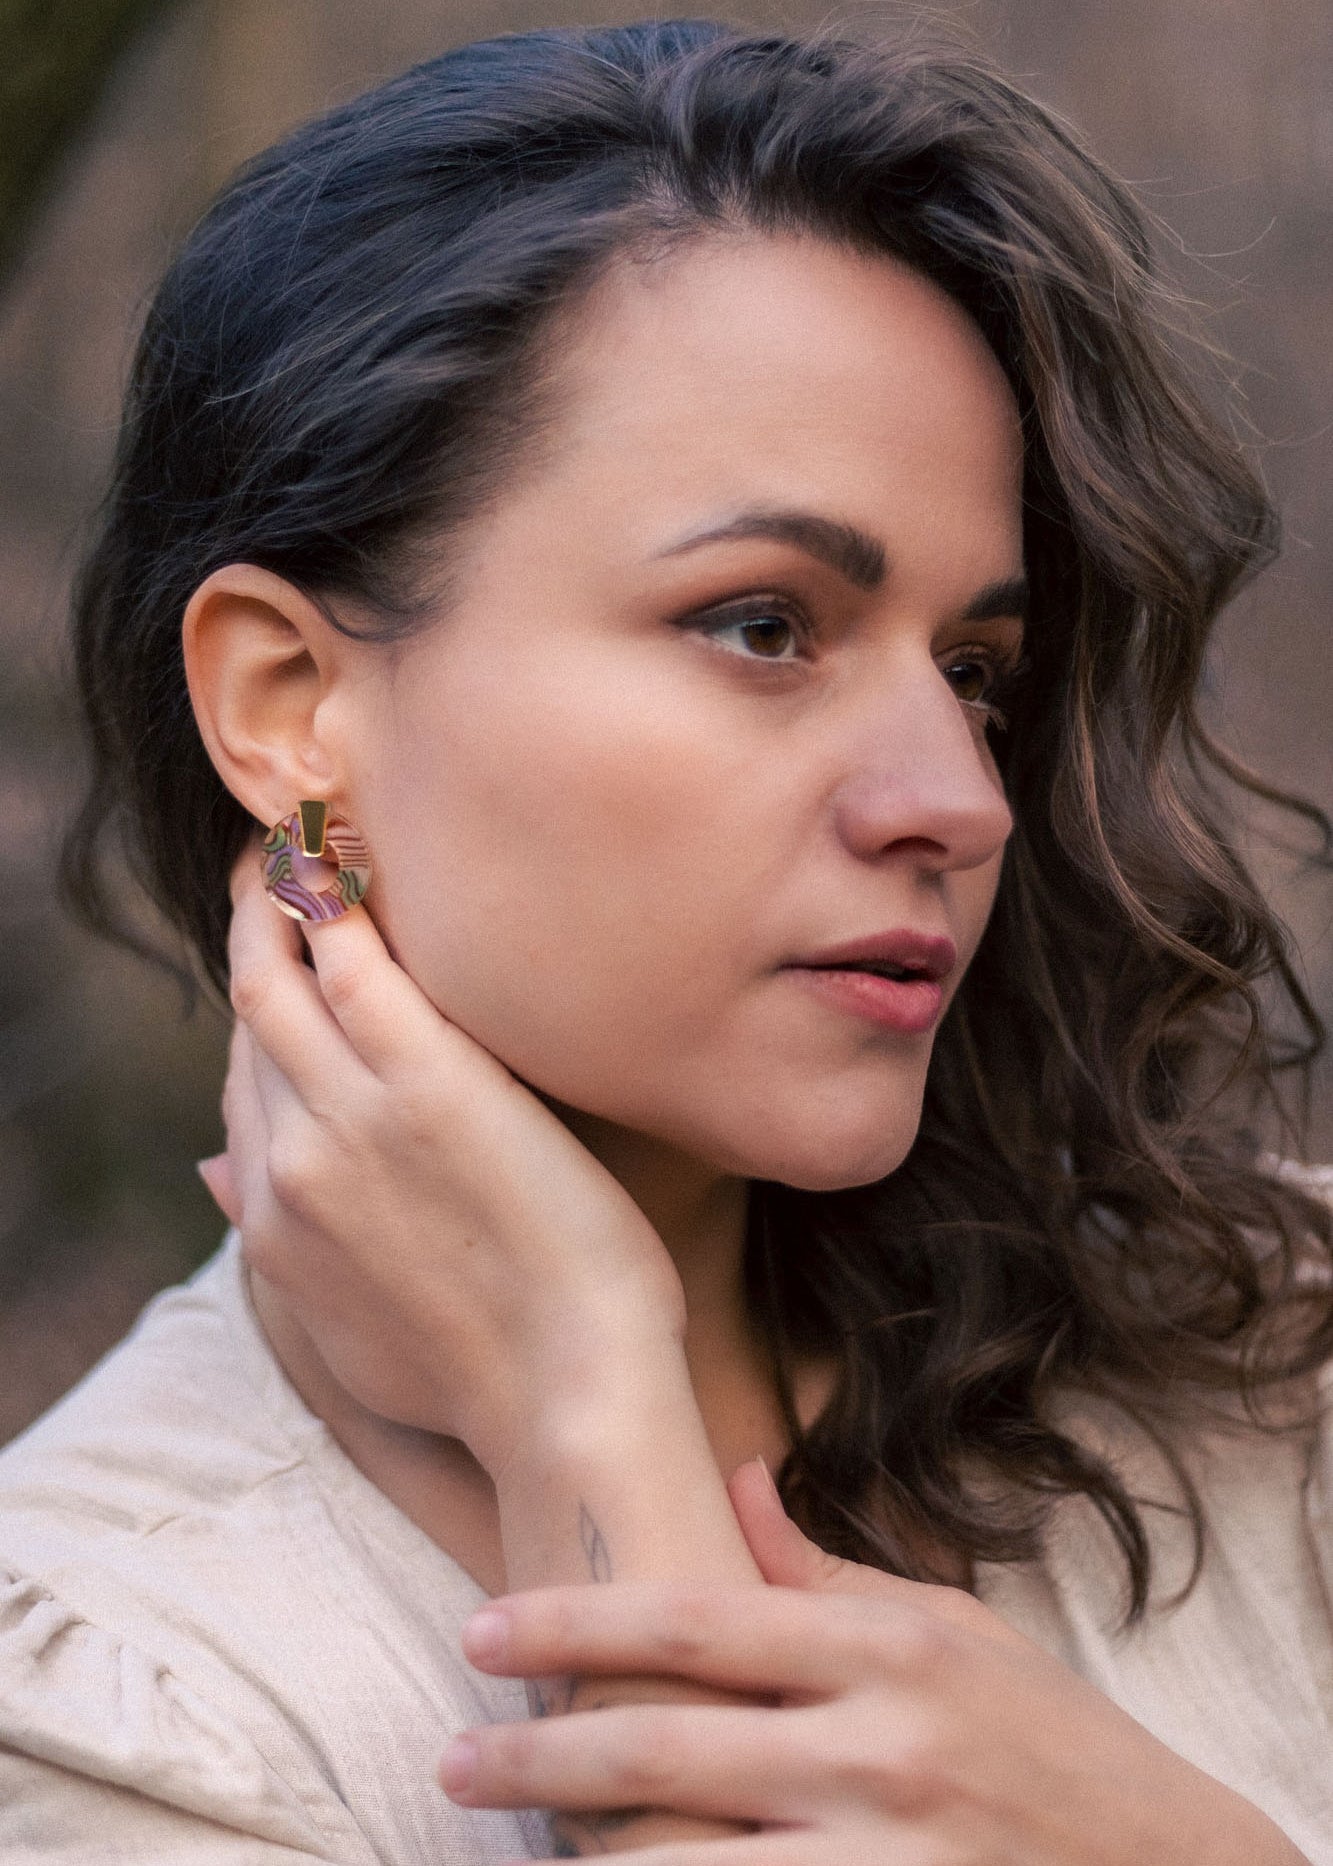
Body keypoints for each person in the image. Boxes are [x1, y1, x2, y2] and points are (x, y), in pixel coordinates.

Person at [3, 14, 1331, 1862]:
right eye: (764, 625)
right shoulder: (122, 1707)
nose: (953, 795)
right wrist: (581, 1401)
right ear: (289, 700)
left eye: (976, 673)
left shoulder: (1279, 1379)